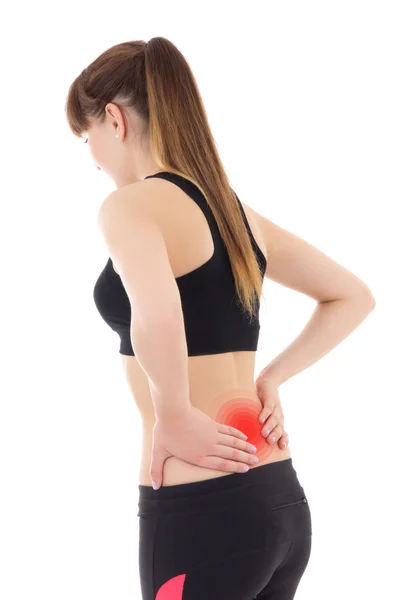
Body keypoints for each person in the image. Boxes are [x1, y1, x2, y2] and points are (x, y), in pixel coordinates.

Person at [65, 37, 376, 600]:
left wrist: (173, 412)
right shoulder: (234, 212)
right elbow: (351, 296)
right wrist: (272, 379)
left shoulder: (129, 206)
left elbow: (158, 317)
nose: (91, 157)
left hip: (201, 509)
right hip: (280, 502)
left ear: (114, 119)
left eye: (87, 137)